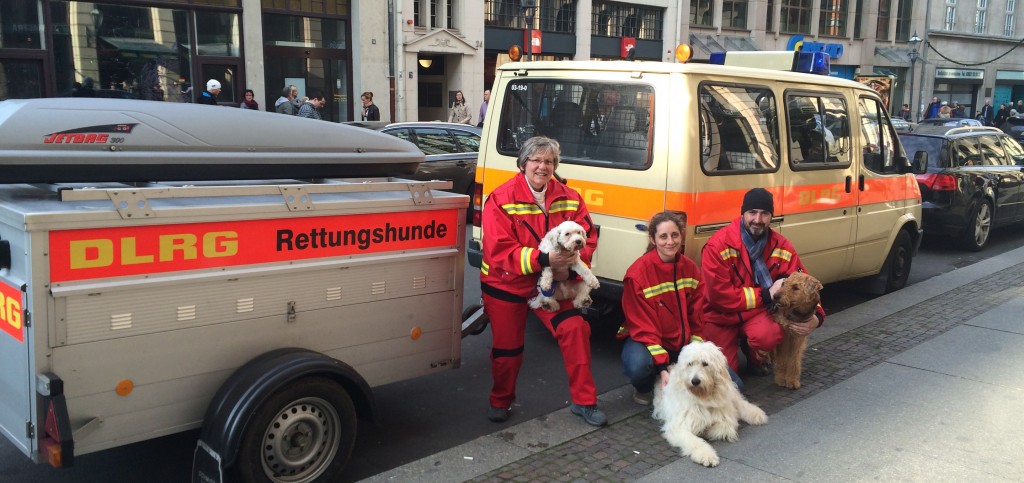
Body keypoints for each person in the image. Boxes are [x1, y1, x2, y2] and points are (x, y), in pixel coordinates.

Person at [479, 136, 606, 427]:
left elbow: (587, 238)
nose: (542, 166)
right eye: (536, 160)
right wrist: (545, 262)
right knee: (507, 350)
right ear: (523, 163)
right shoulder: (500, 198)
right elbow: (497, 249)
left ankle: (584, 402)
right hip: (506, 283)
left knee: (576, 329)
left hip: (554, 281)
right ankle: (501, 400)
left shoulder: (570, 197)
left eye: (549, 161)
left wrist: (569, 271)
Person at [700, 188, 825, 384]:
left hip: (755, 315)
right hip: (720, 317)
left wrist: (816, 317)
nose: (758, 219)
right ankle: (746, 351)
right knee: (724, 378)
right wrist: (765, 295)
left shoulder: (782, 246)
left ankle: (755, 357)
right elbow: (718, 296)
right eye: (752, 212)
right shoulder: (718, 245)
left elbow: (805, 285)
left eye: (764, 213)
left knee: (768, 335)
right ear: (742, 214)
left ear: (771, 217)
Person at [617, 211, 705, 406]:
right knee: (638, 366)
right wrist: (663, 367)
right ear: (652, 239)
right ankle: (645, 387)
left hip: (682, 343)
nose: (670, 242)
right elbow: (643, 327)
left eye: (674, 235)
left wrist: (695, 353)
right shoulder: (638, 275)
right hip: (646, 341)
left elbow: (697, 318)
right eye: (663, 236)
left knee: (735, 385)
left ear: (682, 236)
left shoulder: (691, 269)